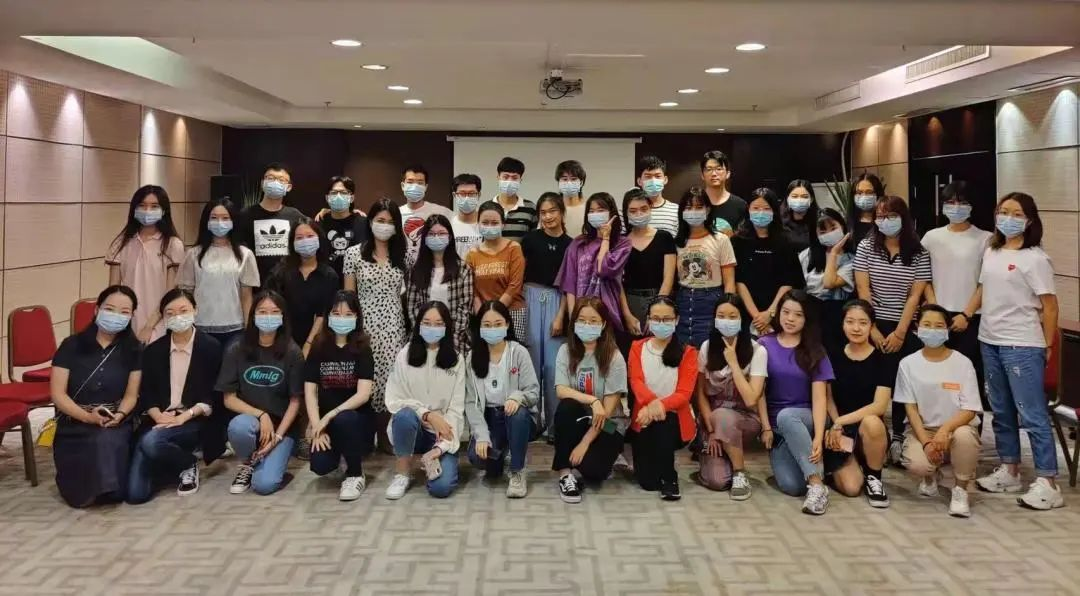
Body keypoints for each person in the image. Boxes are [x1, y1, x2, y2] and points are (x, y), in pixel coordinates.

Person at [973, 192, 1063, 510]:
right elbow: (982, 290)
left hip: (1022, 343)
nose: (1007, 218)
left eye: (1016, 213)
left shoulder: (1035, 258)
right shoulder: (992, 250)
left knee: (1032, 413)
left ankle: (1048, 482)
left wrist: (1048, 345)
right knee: (1000, 411)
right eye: (1003, 211)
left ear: (1029, 220)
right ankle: (1009, 469)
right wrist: (964, 315)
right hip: (989, 339)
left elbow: (1050, 306)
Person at [127, 289, 225, 503]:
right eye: (170, 313)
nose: (177, 317)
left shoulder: (211, 347)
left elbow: (214, 395)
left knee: (151, 442)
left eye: (183, 311)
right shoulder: (154, 351)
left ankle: (188, 463)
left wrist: (184, 416)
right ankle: (173, 464)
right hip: (160, 419)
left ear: (195, 310)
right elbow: (147, 392)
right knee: (135, 495)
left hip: (195, 419)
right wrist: (158, 416)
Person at [854, 195, 931, 462]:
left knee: (902, 382)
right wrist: (872, 328)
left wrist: (900, 333)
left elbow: (914, 296)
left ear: (903, 218)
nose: (885, 221)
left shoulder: (919, 252)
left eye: (891, 216)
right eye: (880, 216)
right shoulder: (866, 247)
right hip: (871, 324)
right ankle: (871, 435)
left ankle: (898, 436)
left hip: (903, 326)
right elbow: (863, 289)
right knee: (872, 381)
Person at [50, 285, 142, 508]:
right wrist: (87, 417)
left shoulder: (134, 350)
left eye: (124, 312)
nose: (116, 316)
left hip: (114, 421)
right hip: (75, 421)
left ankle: (109, 488)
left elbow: (131, 396)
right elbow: (58, 394)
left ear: (131, 316)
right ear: (96, 310)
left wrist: (120, 415)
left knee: (106, 439)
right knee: (90, 450)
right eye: (109, 309)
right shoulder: (71, 345)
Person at [895, 304, 982, 518]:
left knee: (964, 437)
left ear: (947, 329)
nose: (932, 330)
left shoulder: (962, 363)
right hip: (923, 429)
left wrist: (945, 429)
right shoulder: (908, 364)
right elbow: (910, 409)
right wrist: (926, 442)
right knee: (918, 464)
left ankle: (960, 489)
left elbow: (970, 409)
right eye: (927, 325)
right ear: (917, 328)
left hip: (957, 427)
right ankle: (929, 477)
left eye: (939, 326)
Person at [217, 290, 304, 496]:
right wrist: (261, 414)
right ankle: (249, 463)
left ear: (282, 317)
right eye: (262, 311)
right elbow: (229, 399)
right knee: (238, 427)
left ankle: (270, 463)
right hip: (251, 421)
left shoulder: (293, 352)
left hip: (282, 428)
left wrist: (277, 436)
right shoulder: (236, 349)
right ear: (253, 315)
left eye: (274, 312)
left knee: (264, 486)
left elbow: (295, 401)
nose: (268, 317)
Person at [759, 290, 834, 515]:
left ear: (806, 319)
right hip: (778, 426)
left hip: (808, 417)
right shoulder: (764, 344)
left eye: (798, 314)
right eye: (786, 312)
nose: (790, 319)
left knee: (787, 415)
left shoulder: (815, 350)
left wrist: (819, 436)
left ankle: (817, 486)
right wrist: (766, 427)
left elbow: (820, 398)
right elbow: (758, 392)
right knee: (793, 487)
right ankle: (811, 472)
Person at [343, 199, 409, 453]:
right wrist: (351, 330)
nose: (385, 226)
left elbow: (407, 294)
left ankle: (385, 435)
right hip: (364, 327)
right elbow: (349, 296)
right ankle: (363, 435)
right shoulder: (353, 254)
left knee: (390, 381)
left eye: (390, 222)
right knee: (364, 379)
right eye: (380, 220)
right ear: (370, 222)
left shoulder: (403, 255)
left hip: (394, 327)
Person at [384, 301, 468, 499]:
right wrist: (427, 415)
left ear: (447, 327)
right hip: (413, 429)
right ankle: (402, 473)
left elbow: (456, 410)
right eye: (427, 323)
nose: (432, 328)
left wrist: (440, 448)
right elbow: (395, 399)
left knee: (441, 489)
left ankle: (432, 458)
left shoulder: (457, 360)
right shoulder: (404, 356)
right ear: (419, 325)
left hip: (442, 433)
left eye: (438, 324)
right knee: (404, 416)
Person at [921, 181, 992, 411]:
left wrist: (966, 314)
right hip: (937, 317)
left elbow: (985, 282)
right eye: (950, 202)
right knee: (936, 372)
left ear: (972, 206)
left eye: (962, 202)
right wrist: (934, 311)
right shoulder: (931, 237)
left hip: (970, 317)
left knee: (968, 374)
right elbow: (923, 278)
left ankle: (970, 423)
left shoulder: (985, 239)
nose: (956, 207)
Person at [551, 297, 628, 503]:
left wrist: (585, 443)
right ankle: (565, 474)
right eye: (582, 320)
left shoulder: (614, 357)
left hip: (609, 424)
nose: (587, 325)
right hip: (579, 417)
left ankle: (602, 456)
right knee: (566, 408)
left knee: (594, 472)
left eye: (593, 321)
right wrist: (593, 400)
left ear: (603, 324)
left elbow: (607, 411)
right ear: (574, 323)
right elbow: (561, 390)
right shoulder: (565, 350)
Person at [694, 295, 769, 499]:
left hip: (745, 418)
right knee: (717, 481)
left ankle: (739, 473)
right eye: (721, 316)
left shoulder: (758, 351)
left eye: (732, 316)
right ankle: (712, 454)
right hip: (712, 421)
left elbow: (752, 399)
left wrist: (734, 363)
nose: (726, 321)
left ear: (742, 319)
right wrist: (712, 431)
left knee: (723, 416)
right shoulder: (706, 347)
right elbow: (701, 394)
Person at [304, 290, 376, 501]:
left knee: (345, 418)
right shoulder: (318, 347)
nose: (341, 319)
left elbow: (363, 395)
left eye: (348, 314)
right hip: (327, 423)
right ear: (328, 316)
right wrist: (317, 426)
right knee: (320, 466)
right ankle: (342, 456)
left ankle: (355, 474)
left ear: (356, 317)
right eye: (336, 313)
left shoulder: (363, 349)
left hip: (356, 421)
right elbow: (310, 391)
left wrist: (330, 415)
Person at [465, 300, 540, 498]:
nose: (493, 329)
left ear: (507, 324)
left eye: (498, 324)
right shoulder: (472, 357)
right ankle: (503, 453)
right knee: (478, 459)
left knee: (518, 413)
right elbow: (471, 403)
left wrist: (517, 397)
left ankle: (517, 470)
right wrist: (482, 435)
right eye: (487, 325)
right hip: (489, 419)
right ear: (479, 327)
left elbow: (533, 391)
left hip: (517, 418)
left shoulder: (519, 352)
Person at [626, 297, 698, 500]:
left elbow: (683, 394)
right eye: (656, 318)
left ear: (677, 320)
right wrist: (652, 404)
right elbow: (636, 381)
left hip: (674, 420)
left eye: (667, 319)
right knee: (647, 482)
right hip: (644, 418)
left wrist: (658, 407)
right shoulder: (637, 347)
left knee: (663, 422)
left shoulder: (688, 352)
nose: (661, 323)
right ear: (648, 320)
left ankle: (670, 478)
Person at [823, 299, 892, 508]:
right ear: (842, 324)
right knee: (851, 489)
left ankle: (874, 477)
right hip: (839, 430)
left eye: (863, 323)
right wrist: (836, 423)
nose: (856, 328)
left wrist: (841, 421)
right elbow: (827, 398)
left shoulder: (883, 360)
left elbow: (879, 406)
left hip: (867, 430)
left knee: (872, 422)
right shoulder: (832, 356)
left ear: (872, 326)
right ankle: (839, 466)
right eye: (850, 322)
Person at [519, 192, 572, 437]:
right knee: (530, 364)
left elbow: (569, 284)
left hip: (557, 302)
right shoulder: (529, 240)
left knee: (553, 366)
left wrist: (561, 315)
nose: (548, 216)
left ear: (562, 212)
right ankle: (531, 423)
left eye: (553, 211)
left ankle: (554, 426)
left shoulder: (571, 244)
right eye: (543, 212)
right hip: (529, 299)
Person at [106, 185, 185, 342]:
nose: (147, 210)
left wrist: (149, 327)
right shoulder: (121, 243)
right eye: (142, 205)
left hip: (160, 324)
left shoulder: (173, 244)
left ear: (164, 211)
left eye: (154, 206)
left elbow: (170, 295)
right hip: (127, 323)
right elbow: (113, 290)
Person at [178, 198, 260, 348]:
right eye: (214, 218)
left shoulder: (245, 254)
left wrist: (249, 330)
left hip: (235, 329)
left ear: (233, 221)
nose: (219, 223)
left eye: (225, 218)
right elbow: (185, 294)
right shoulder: (193, 254)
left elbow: (246, 296)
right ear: (206, 222)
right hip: (200, 326)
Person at [556, 192, 632, 334]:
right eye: (591, 211)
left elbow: (603, 269)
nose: (596, 214)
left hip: (608, 311)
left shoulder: (622, 243)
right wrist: (573, 317)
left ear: (612, 213)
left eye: (601, 210)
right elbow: (569, 283)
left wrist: (606, 238)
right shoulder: (578, 243)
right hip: (581, 313)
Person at [734, 187, 804, 337]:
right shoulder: (738, 241)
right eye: (756, 208)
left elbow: (789, 280)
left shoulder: (786, 240)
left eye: (766, 209)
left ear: (774, 211)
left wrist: (770, 313)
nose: (761, 212)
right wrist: (757, 317)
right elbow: (739, 281)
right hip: (747, 312)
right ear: (748, 210)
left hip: (778, 312)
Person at [674, 186, 737, 347]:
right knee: (684, 350)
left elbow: (729, 281)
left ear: (708, 210)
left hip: (712, 300)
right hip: (683, 300)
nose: (693, 211)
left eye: (698, 207)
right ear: (682, 212)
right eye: (689, 207)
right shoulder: (677, 242)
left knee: (709, 348)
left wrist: (728, 309)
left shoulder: (721, 239)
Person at [266, 219, 338, 357]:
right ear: (292, 243)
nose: (305, 241)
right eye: (299, 238)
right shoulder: (279, 272)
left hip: (316, 343)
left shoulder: (329, 275)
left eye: (310, 236)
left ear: (319, 239)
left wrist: (309, 344)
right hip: (281, 341)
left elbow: (323, 314)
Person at [406, 214, 474, 355]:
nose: (436, 237)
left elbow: (465, 308)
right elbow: (412, 307)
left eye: (442, 233)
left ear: (450, 237)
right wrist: (424, 334)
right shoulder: (416, 270)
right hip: (423, 336)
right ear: (425, 238)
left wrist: (452, 339)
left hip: (455, 338)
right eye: (431, 234)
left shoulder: (463, 269)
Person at [234, 162, 305, 287]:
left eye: (281, 180)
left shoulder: (296, 216)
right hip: (253, 284)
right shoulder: (245, 215)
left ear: (288, 187)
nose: (275, 182)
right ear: (263, 183)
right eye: (270, 178)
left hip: (288, 285)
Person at [465, 201, 527, 341]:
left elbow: (515, 285)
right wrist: (484, 314)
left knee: (512, 351)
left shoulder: (514, 248)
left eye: (494, 223)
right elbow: (472, 290)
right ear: (478, 224)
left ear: (503, 224)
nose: (489, 226)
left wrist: (495, 311)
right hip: (483, 314)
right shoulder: (472, 254)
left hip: (512, 311)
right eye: (485, 223)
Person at [799, 207, 855, 359]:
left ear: (842, 226)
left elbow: (829, 283)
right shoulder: (806, 255)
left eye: (833, 228)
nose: (829, 233)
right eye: (822, 231)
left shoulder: (851, 259)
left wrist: (834, 253)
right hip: (809, 314)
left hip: (836, 315)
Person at [621, 188, 676, 340]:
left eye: (643, 209)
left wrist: (657, 312)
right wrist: (627, 315)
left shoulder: (664, 237)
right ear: (626, 213)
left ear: (650, 208)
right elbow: (617, 282)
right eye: (633, 211)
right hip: (630, 302)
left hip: (659, 299)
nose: (639, 214)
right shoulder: (621, 242)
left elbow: (668, 278)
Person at [398, 164, 454, 261]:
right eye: (410, 182)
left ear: (426, 187)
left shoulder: (442, 212)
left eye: (420, 183)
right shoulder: (396, 214)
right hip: (402, 267)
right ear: (403, 186)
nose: (415, 186)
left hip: (432, 267)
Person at [319, 176, 369, 281]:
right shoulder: (319, 223)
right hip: (326, 283)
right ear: (327, 198)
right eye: (334, 193)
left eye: (343, 193)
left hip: (357, 283)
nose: (338, 196)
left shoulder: (364, 223)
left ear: (352, 198)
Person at [700, 150, 747, 236]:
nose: (714, 174)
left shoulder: (740, 205)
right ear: (702, 175)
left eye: (719, 169)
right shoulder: (693, 204)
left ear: (728, 174)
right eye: (709, 169)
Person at [494, 157, 537, 241]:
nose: (509, 182)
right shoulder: (488, 207)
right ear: (498, 177)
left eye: (514, 178)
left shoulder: (531, 208)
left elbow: (534, 240)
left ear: (520, 180)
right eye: (505, 177)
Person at [636, 155, 680, 237]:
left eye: (658, 176)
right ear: (639, 181)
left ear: (665, 180)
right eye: (648, 176)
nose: (653, 180)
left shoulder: (677, 211)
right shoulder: (631, 211)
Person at [781, 179, 820, 253]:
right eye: (794, 196)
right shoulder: (779, 222)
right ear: (788, 199)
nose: (799, 200)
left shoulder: (819, 220)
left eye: (804, 197)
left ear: (811, 199)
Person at [450, 173, 484, 257]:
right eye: (462, 193)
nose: (466, 198)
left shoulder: (487, 225)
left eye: (471, 193)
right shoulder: (449, 225)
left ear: (479, 195)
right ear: (454, 195)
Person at [848, 173, 885, 243]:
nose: (864, 196)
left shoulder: (886, 222)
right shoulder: (850, 222)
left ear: (878, 194)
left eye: (869, 192)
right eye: (859, 193)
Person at [555, 160, 588, 237]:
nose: (569, 183)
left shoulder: (589, 207)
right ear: (558, 182)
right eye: (565, 179)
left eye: (573, 179)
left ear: (581, 182)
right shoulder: (552, 207)